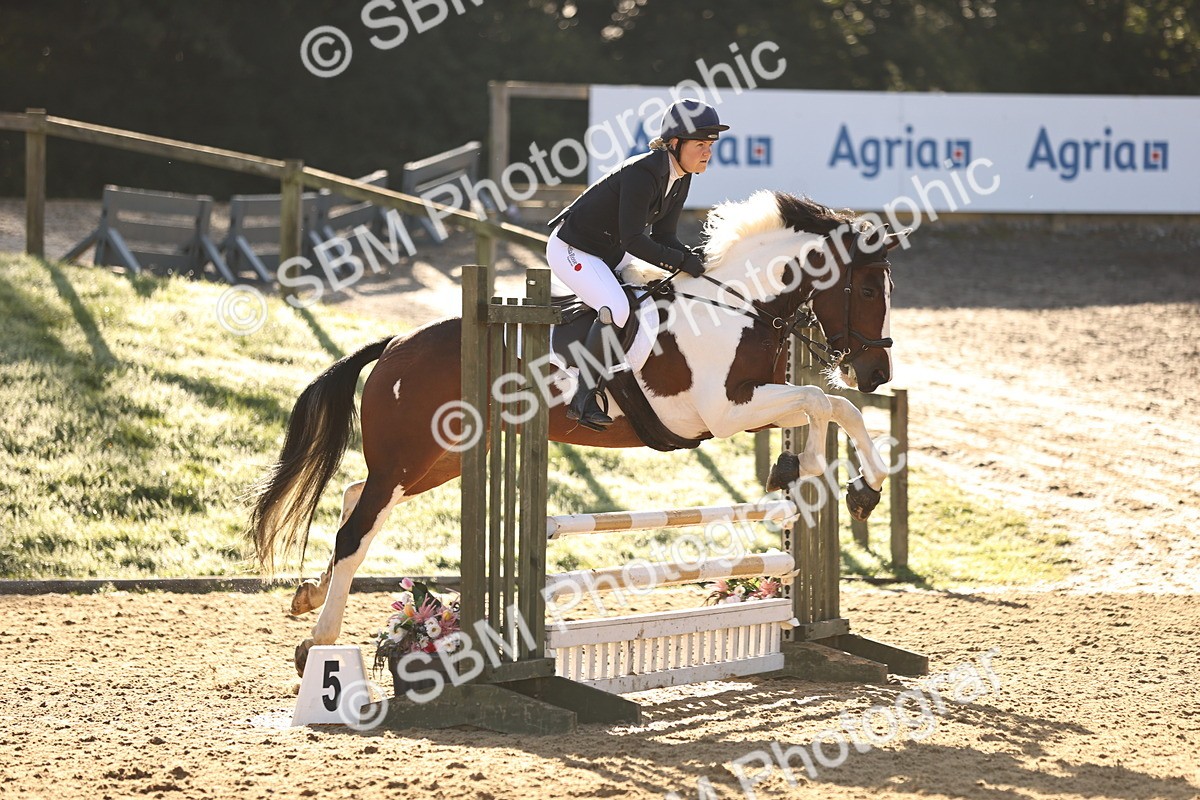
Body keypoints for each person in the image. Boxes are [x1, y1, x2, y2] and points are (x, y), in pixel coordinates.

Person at [546, 98, 729, 431]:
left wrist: (694, 259)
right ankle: (583, 397)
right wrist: (681, 261)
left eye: (710, 145)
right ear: (675, 143)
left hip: (609, 250)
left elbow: (664, 236)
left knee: (660, 292)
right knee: (616, 308)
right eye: (700, 145)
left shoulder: (681, 175)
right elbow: (634, 239)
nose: (708, 152)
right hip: (573, 248)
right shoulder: (643, 173)